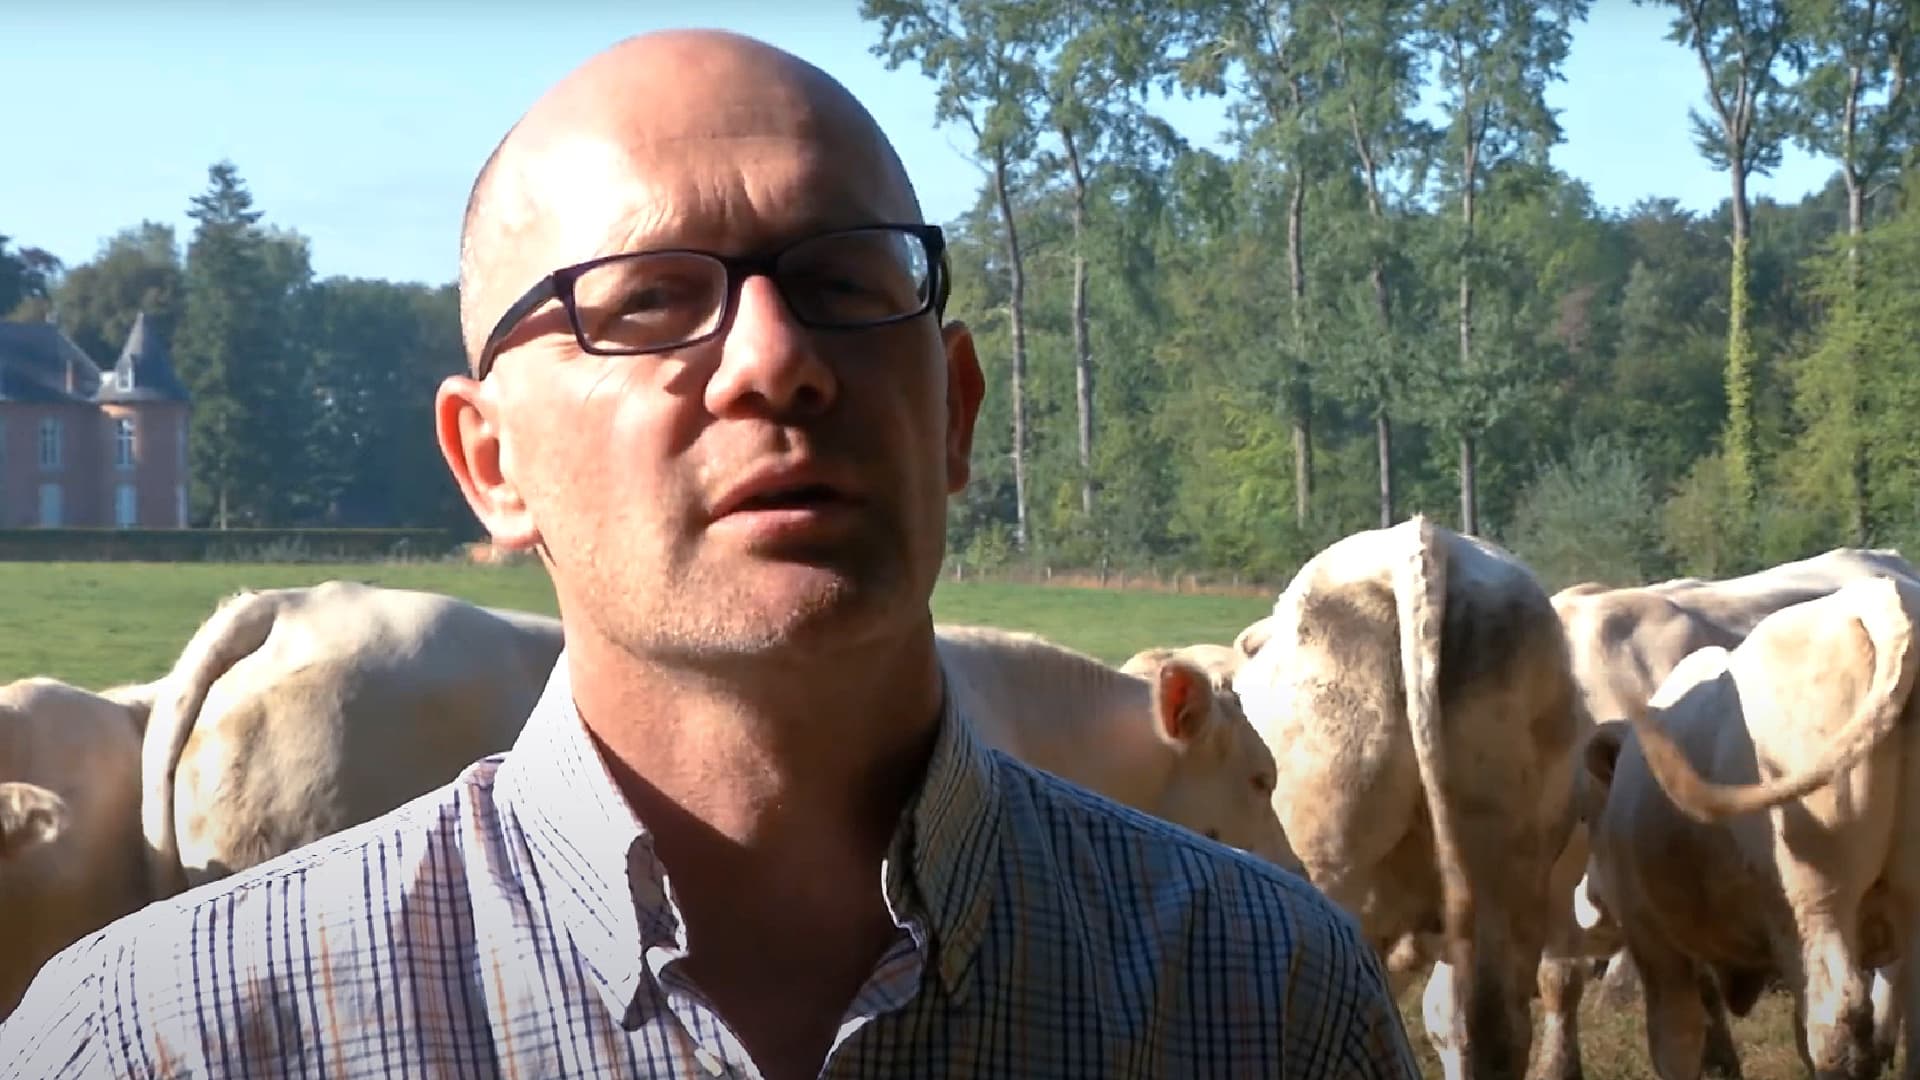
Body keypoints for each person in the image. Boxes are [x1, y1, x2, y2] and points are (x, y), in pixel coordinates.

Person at [0, 28, 1419, 1080]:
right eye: (646, 302)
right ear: (491, 463)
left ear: (956, 413)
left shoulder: (1273, 1005)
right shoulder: (158, 1041)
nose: (775, 359)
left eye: (844, 284)